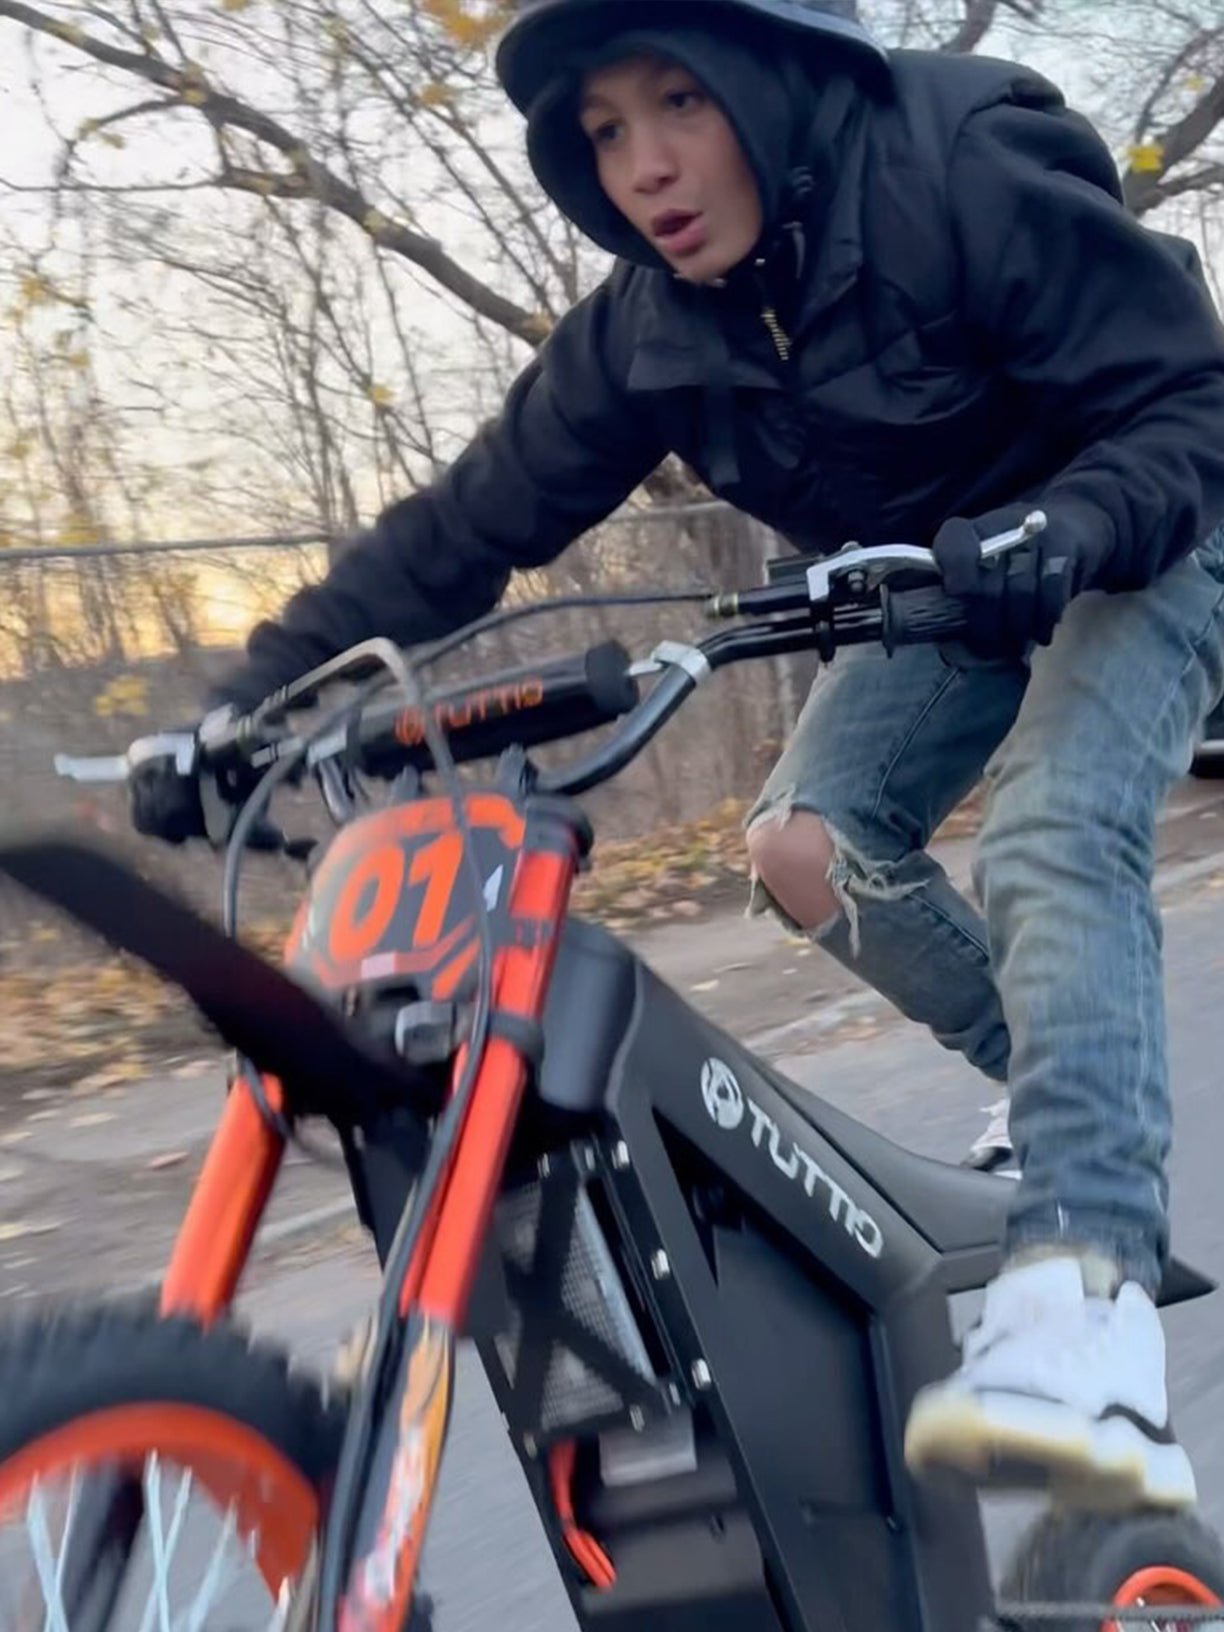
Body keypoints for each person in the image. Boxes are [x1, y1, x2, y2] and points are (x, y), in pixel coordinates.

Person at [131, 0, 1224, 1508]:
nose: (644, 166)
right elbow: (465, 527)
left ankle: (1089, 1303)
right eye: (603, 132)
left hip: (1147, 523)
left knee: (1048, 827)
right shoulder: (645, 332)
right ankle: (1073, 1104)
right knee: (801, 845)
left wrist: (1075, 526)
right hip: (941, 579)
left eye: (678, 105)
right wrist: (247, 702)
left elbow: (1191, 402)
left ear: (766, 84)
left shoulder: (961, 161)